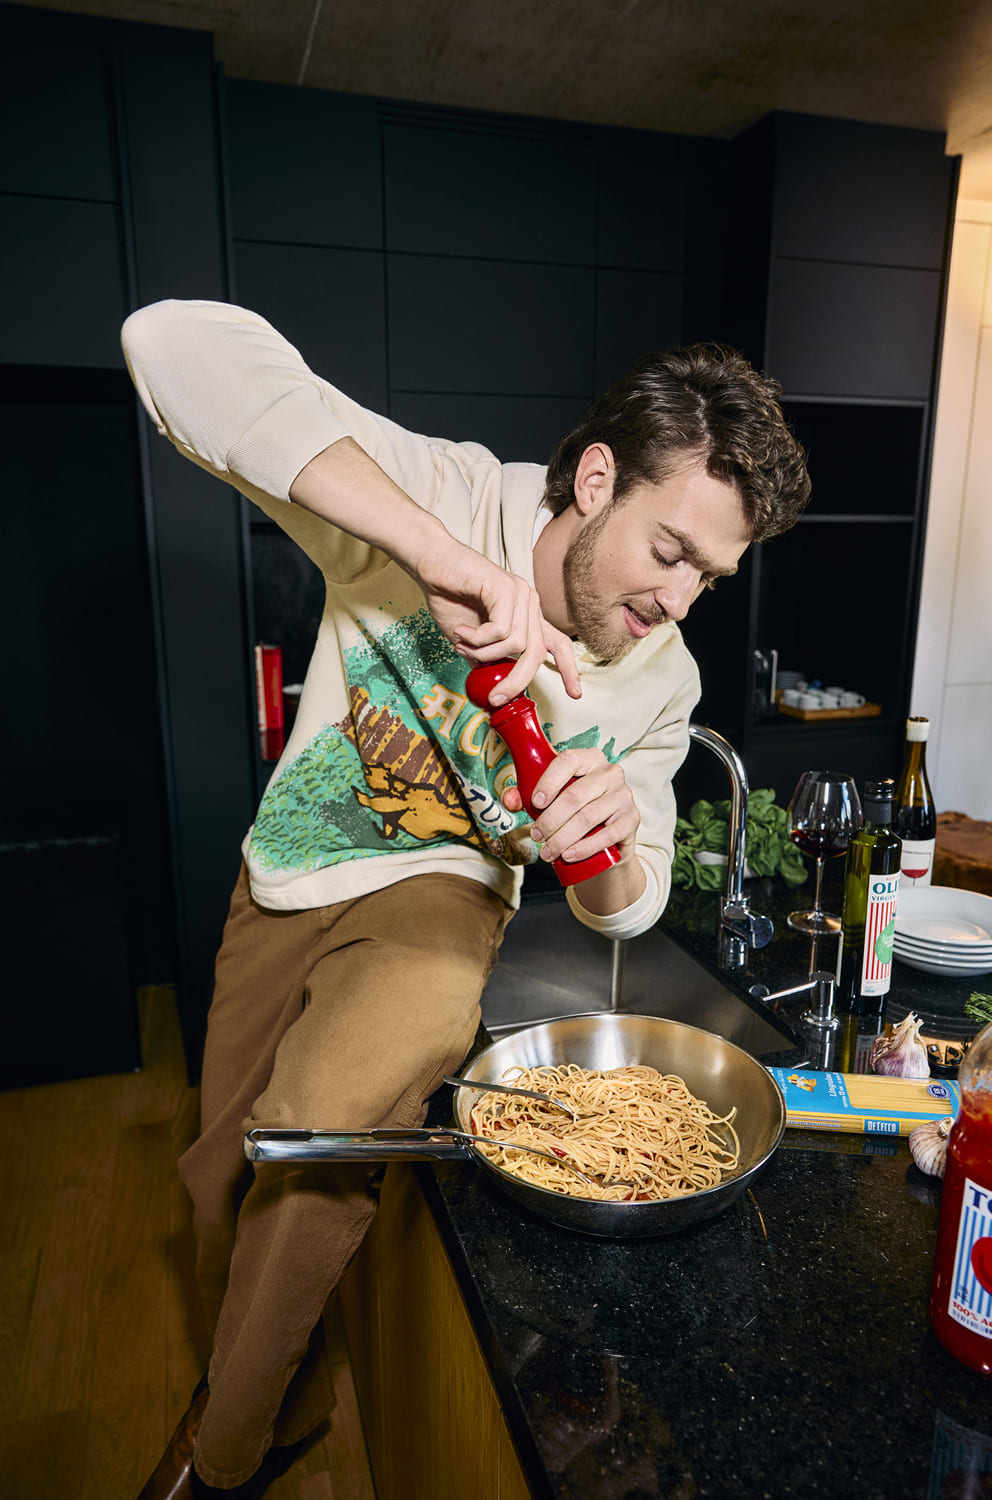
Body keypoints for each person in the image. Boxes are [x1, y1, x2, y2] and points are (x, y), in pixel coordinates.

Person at [124, 299, 810, 1497]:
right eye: (669, 553)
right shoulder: (440, 494)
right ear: (595, 480)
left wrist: (604, 850)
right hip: (285, 870)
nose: (681, 599)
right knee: (217, 1176)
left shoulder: (666, 674)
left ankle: (219, 1462)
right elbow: (170, 345)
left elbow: (621, 907)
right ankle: (280, 1408)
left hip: (439, 896)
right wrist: (432, 554)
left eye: (711, 574)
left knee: (322, 1120)